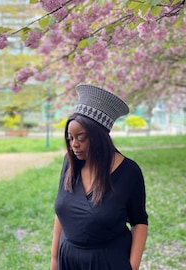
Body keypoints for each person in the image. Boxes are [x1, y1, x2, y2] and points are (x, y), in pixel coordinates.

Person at [50, 83, 148, 270]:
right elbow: (61, 213)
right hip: (68, 261)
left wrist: (132, 268)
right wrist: (54, 260)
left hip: (107, 262)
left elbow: (139, 222)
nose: (74, 145)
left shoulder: (129, 172)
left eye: (81, 137)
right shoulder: (70, 163)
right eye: (70, 138)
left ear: (98, 137)